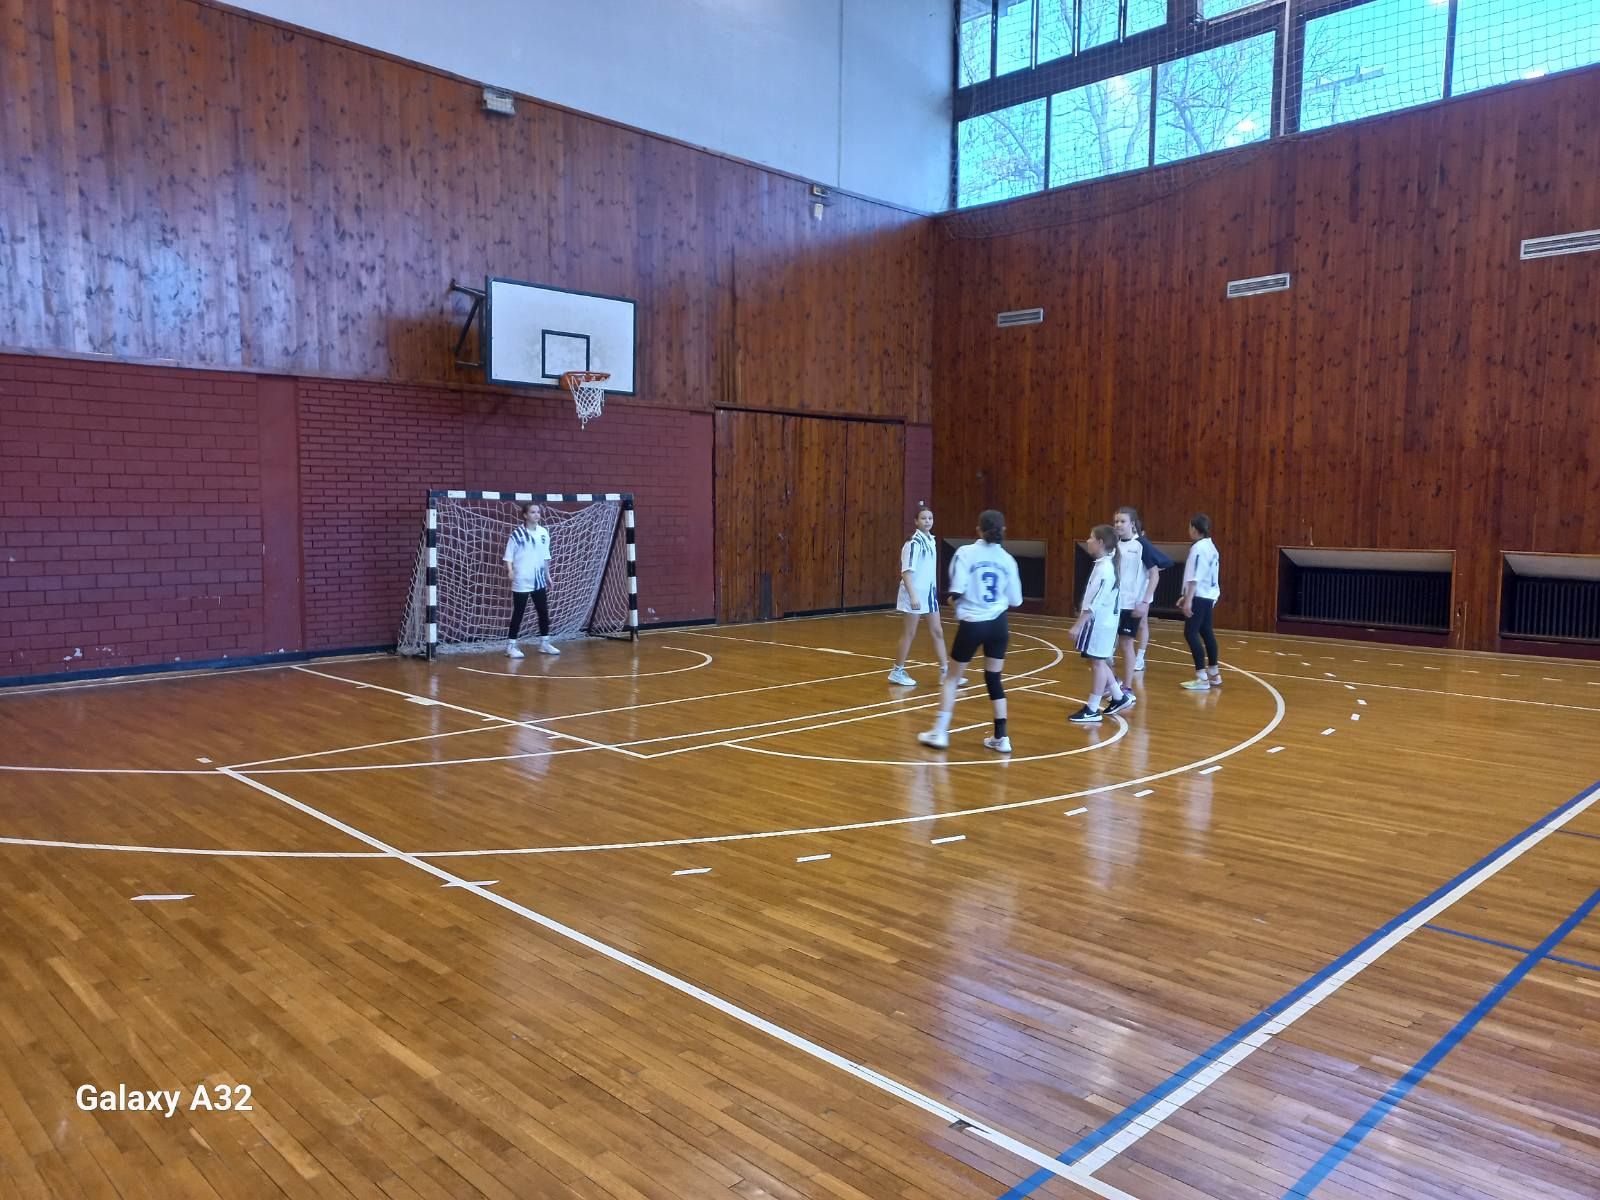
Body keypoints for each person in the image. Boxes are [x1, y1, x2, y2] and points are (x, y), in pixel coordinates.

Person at [917, 510, 1023, 754]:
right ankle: (1002, 737)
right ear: (1003, 531)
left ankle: (940, 731)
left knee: (952, 678)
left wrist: (956, 601)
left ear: (978, 530)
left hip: (973, 623)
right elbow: (1016, 599)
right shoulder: (1008, 560)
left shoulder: (965, 553)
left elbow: (957, 589)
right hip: (998, 625)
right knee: (994, 678)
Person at [1067, 525, 1132, 725]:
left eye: (1091, 537)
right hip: (1103, 623)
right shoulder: (1104, 564)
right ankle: (1118, 696)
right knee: (1099, 661)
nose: (1087, 541)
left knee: (1097, 663)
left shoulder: (1105, 569)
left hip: (1100, 624)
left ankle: (1092, 708)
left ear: (1101, 542)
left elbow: (1095, 602)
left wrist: (1078, 625)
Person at [887, 506, 949, 686]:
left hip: (929, 595)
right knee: (909, 633)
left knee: (937, 631)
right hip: (914, 594)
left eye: (930, 518)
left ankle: (946, 672)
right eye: (923, 518)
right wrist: (913, 596)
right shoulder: (913, 543)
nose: (927, 521)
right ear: (916, 521)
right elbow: (906, 572)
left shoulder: (931, 541)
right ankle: (897, 671)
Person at [1112, 506, 1161, 701]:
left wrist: (1144, 601)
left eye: (1122, 521)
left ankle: (1127, 688)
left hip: (1131, 604)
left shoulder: (1141, 545)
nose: (1118, 524)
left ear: (1132, 524)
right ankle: (1112, 683)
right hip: (1114, 604)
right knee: (1107, 649)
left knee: (1126, 645)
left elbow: (1154, 575)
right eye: (1116, 521)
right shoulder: (1114, 545)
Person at [504, 502, 559, 657]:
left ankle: (544, 643)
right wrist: (510, 571)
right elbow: (508, 556)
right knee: (518, 613)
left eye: (538, 512)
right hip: (521, 579)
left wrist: (548, 576)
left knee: (543, 612)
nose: (537, 515)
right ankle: (511, 646)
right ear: (525, 515)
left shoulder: (543, 533)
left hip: (538, 580)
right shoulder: (517, 534)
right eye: (533, 512)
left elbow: (546, 557)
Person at [1179, 514, 1223, 690]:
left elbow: (1195, 576)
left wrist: (1188, 599)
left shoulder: (1198, 548)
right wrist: (1186, 595)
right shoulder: (1211, 547)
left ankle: (1202, 677)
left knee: (1190, 633)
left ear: (1194, 529)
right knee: (1206, 632)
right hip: (1209, 595)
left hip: (1199, 595)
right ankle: (1214, 673)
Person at [1132, 514, 1174, 672]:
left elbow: (1166, 562)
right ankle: (1110, 653)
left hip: (1143, 591)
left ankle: (1140, 658)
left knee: (1142, 624)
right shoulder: (1123, 545)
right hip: (1126, 592)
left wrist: (1152, 572)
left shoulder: (1144, 545)